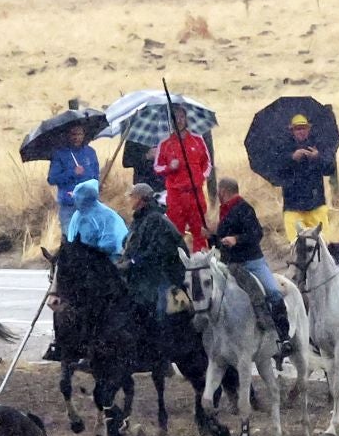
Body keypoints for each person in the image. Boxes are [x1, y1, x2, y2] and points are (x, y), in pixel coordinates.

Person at [213, 178, 291, 343]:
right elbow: (222, 239)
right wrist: (212, 237)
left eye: (219, 191)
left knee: (273, 293)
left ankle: (283, 337)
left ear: (224, 191)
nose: (218, 194)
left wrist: (236, 239)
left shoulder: (244, 208)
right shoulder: (224, 210)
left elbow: (256, 234)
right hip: (229, 264)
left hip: (251, 262)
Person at [124, 183, 186, 322]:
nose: (130, 200)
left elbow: (156, 253)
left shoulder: (155, 219)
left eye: (132, 197)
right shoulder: (141, 219)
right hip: (149, 273)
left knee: (158, 312)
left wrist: (132, 263)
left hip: (165, 275)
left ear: (141, 199)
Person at [153, 107, 212, 251]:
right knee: (175, 233)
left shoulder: (198, 140)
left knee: (200, 233)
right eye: (175, 118)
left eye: (181, 117)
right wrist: (169, 167)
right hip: (176, 196)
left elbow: (207, 164)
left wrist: (200, 177)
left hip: (195, 194)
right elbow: (157, 167)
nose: (178, 121)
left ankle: (201, 266)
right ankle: (176, 265)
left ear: (186, 119)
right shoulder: (165, 144)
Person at [272, 113, 334, 241]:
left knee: (323, 244)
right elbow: (275, 173)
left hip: (316, 204)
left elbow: (330, 169)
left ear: (309, 129)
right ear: (292, 131)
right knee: (296, 246)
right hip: (292, 207)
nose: (301, 132)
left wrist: (317, 158)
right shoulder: (282, 148)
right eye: (297, 129)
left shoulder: (318, 144)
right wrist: (291, 159)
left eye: (303, 128)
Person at [46, 124, 101, 230]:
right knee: (69, 239)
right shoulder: (60, 154)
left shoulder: (90, 152)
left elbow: (95, 174)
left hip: (88, 204)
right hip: (69, 204)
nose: (76, 137)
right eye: (73, 134)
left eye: (79, 134)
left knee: (89, 241)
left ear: (84, 135)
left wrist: (97, 186)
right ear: (68, 135)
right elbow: (52, 179)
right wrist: (72, 173)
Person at [63, 179, 128, 257]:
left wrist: (92, 252)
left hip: (107, 259)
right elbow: (72, 239)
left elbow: (110, 244)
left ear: (87, 199)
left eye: (77, 199)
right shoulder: (78, 215)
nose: (75, 202)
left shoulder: (106, 216)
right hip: (84, 258)